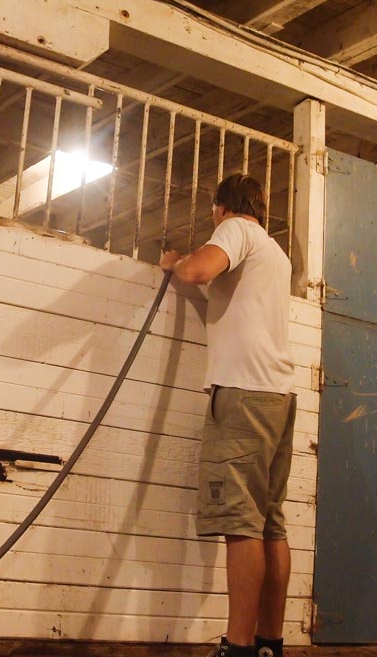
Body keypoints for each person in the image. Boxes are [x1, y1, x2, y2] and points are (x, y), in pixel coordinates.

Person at [159, 173, 297, 657]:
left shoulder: (235, 230)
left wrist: (176, 265)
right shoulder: (275, 253)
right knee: (269, 523)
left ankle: (237, 648)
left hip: (242, 394)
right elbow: (228, 300)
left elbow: (200, 271)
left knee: (241, 524)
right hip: (278, 395)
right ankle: (268, 644)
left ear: (221, 206)